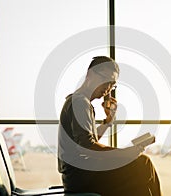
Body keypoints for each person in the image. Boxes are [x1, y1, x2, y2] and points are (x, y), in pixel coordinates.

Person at [58, 56, 162, 196]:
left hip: (77, 176)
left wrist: (108, 121)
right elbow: (87, 146)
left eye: (112, 84)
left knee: (139, 171)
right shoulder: (80, 102)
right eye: (105, 80)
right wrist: (124, 153)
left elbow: (88, 140)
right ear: (90, 74)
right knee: (143, 164)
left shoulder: (78, 100)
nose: (108, 88)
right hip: (81, 177)